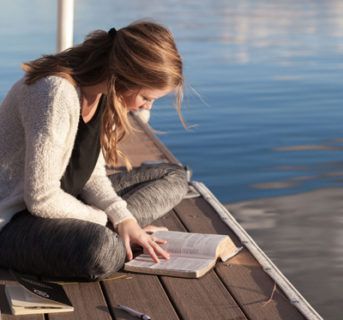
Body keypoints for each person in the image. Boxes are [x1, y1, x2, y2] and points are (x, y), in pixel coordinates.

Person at [0, 20, 188, 280]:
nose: (147, 108)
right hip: (14, 220)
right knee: (101, 250)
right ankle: (122, 237)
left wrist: (124, 219)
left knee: (174, 177)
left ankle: (128, 232)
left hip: (67, 203)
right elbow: (41, 198)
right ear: (125, 76)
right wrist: (106, 220)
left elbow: (92, 175)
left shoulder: (102, 94)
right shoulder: (54, 94)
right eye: (146, 98)